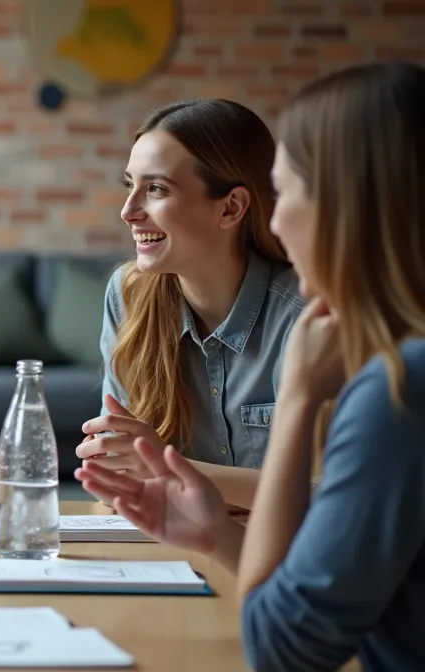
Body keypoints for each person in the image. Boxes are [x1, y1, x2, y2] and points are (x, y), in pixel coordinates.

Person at [76, 61, 425, 671]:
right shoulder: (130, 296)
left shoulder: (391, 379)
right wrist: (212, 527)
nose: (280, 223)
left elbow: (282, 639)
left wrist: (289, 404)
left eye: (288, 193)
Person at [79, 99, 304, 510]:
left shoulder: (305, 315)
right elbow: (118, 475)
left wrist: (166, 469)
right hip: (168, 551)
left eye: (157, 189)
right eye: (129, 185)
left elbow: (332, 494)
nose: (128, 211)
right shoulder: (127, 296)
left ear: (231, 207)